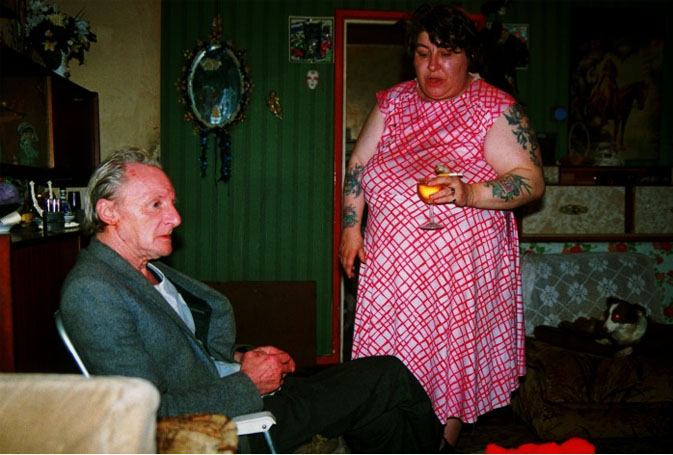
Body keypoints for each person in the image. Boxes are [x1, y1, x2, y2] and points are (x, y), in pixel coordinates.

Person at [60, 147, 443, 453]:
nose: (175, 218)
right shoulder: (94, 291)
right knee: (387, 374)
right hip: (223, 427)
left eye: (172, 203)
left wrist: (242, 357)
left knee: (382, 419)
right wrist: (248, 383)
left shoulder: (144, 269)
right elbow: (147, 414)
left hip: (228, 389)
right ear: (109, 212)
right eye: (156, 204)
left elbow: (183, 344)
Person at [338, 4, 544, 451]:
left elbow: (530, 181)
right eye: (423, 53)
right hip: (391, 272)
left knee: (447, 368)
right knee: (390, 363)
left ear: (469, 56)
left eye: (446, 53)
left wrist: (469, 192)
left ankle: (438, 446)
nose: (433, 65)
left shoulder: (495, 107)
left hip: (458, 276)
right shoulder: (393, 102)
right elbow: (358, 165)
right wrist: (351, 229)